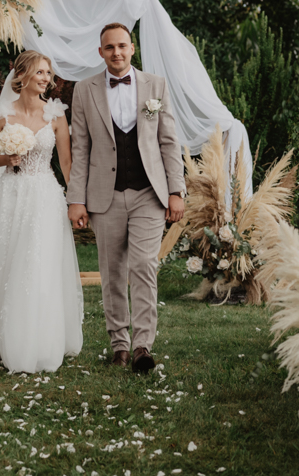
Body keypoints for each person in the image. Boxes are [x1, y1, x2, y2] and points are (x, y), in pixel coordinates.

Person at [0, 51, 82, 373]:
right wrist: (6, 159)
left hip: (45, 195)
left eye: (48, 73)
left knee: (37, 262)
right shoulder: (3, 113)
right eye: (40, 72)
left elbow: (66, 163)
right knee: (3, 261)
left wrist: (77, 198)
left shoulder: (56, 115)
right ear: (21, 76)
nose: (46, 79)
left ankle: (37, 338)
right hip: (9, 194)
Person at [67, 23, 185, 374]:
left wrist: (176, 191)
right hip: (103, 197)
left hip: (149, 193)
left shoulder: (155, 86)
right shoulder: (84, 90)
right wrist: (76, 199)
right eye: (109, 48)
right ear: (100, 52)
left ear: (132, 48)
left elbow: (168, 142)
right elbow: (81, 149)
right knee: (112, 272)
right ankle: (119, 343)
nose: (116, 52)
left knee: (144, 266)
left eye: (122, 46)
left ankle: (142, 346)